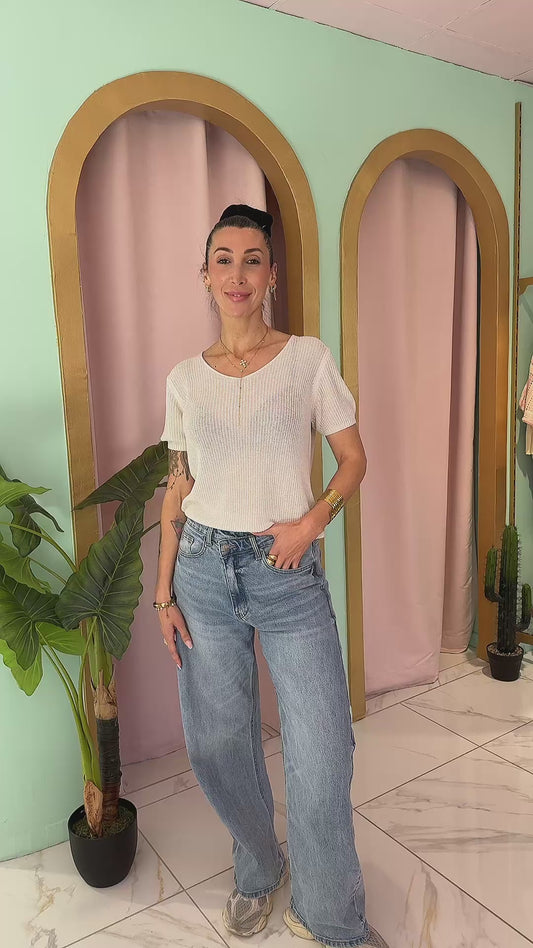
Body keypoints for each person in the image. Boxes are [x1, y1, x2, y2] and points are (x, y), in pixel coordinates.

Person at [155, 204, 388, 948]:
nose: (237, 275)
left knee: (321, 753)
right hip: (200, 573)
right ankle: (258, 866)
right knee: (218, 745)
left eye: (251, 260)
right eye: (223, 260)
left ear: (271, 276)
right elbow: (178, 486)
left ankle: (329, 917)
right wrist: (162, 593)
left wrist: (311, 522)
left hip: (286, 575)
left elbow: (353, 459)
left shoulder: (307, 360)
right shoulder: (185, 380)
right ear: (204, 275)